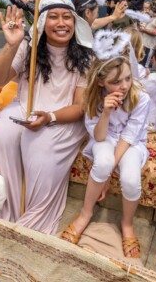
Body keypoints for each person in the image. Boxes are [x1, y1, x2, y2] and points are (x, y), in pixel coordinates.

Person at [0, 0, 94, 234]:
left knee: (39, 148)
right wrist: (11, 45)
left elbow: (79, 107)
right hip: (25, 106)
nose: (61, 23)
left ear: (75, 23)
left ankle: (32, 223)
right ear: (42, 22)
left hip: (63, 116)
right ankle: (7, 211)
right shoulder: (28, 47)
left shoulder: (86, 56)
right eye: (53, 17)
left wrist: (50, 117)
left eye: (67, 17)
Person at [61, 51, 150, 259]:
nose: (125, 85)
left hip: (131, 143)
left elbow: (128, 137)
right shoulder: (93, 99)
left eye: (128, 78)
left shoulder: (141, 98)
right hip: (105, 137)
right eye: (116, 81)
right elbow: (100, 137)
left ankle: (127, 224)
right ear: (100, 82)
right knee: (102, 162)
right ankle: (85, 214)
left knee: (130, 179)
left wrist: (109, 176)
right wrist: (106, 113)